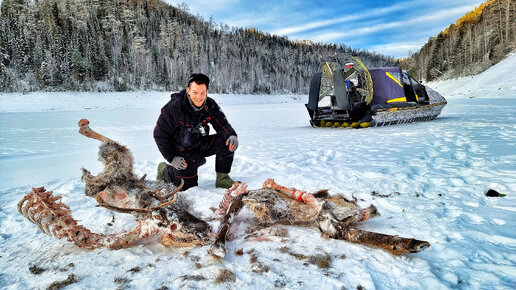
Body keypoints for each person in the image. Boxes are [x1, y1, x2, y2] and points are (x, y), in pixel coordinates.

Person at [154, 73, 239, 190]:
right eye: (195, 92)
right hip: (182, 152)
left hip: (201, 144)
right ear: (188, 90)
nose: (199, 97)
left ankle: (222, 179)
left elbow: (222, 124)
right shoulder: (174, 107)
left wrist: (231, 135)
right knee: (187, 187)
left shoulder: (210, 105)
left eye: (202, 93)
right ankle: (164, 170)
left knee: (226, 141)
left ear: (207, 91)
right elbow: (160, 134)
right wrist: (172, 158)